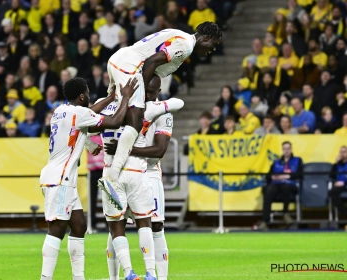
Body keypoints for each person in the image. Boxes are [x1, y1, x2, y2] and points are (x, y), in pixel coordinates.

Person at [102, 22, 222, 209]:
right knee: (135, 121)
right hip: (129, 65)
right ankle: (111, 177)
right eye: (212, 45)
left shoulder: (179, 36)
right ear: (205, 38)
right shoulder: (185, 45)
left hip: (119, 60)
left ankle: (90, 143)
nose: (211, 50)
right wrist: (141, 98)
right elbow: (151, 62)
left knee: (109, 104)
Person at [39, 77, 139, 280]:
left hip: (61, 177)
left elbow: (90, 112)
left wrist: (111, 97)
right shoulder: (80, 113)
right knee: (56, 229)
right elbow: (114, 121)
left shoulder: (60, 110)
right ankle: (45, 278)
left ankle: (79, 277)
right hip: (61, 179)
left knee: (78, 226)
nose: (90, 96)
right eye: (88, 93)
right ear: (82, 96)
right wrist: (125, 98)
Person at [95, 74, 184, 280]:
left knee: (153, 225)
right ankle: (123, 276)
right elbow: (177, 102)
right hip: (136, 172)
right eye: (149, 92)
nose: (151, 96)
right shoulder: (142, 109)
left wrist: (124, 149)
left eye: (155, 92)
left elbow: (159, 150)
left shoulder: (156, 111)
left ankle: (153, 276)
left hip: (149, 172)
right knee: (121, 226)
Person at [258, 141, 303, 230]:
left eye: (288, 148)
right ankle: (265, 220)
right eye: (284, 149)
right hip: (276, 184)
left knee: (286, 187)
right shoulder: (276, 162)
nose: (286, 151)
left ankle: (285, 213)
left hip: (290, 184)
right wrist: (273, 177)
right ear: (282, 150)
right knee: (269, 189)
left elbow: (300, 175)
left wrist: (287, 176)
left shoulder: (298, 160)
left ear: (291, 149)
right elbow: (268, 176)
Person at [329, 146, 347, 218]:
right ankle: (345, 212)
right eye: (341, 152)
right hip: (340, 185)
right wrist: (336, 163)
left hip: (345, 184)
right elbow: (331, 176)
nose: (342, 154)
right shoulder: (336, 165)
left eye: (344, 152)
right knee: (332, 192)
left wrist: (344, 183)